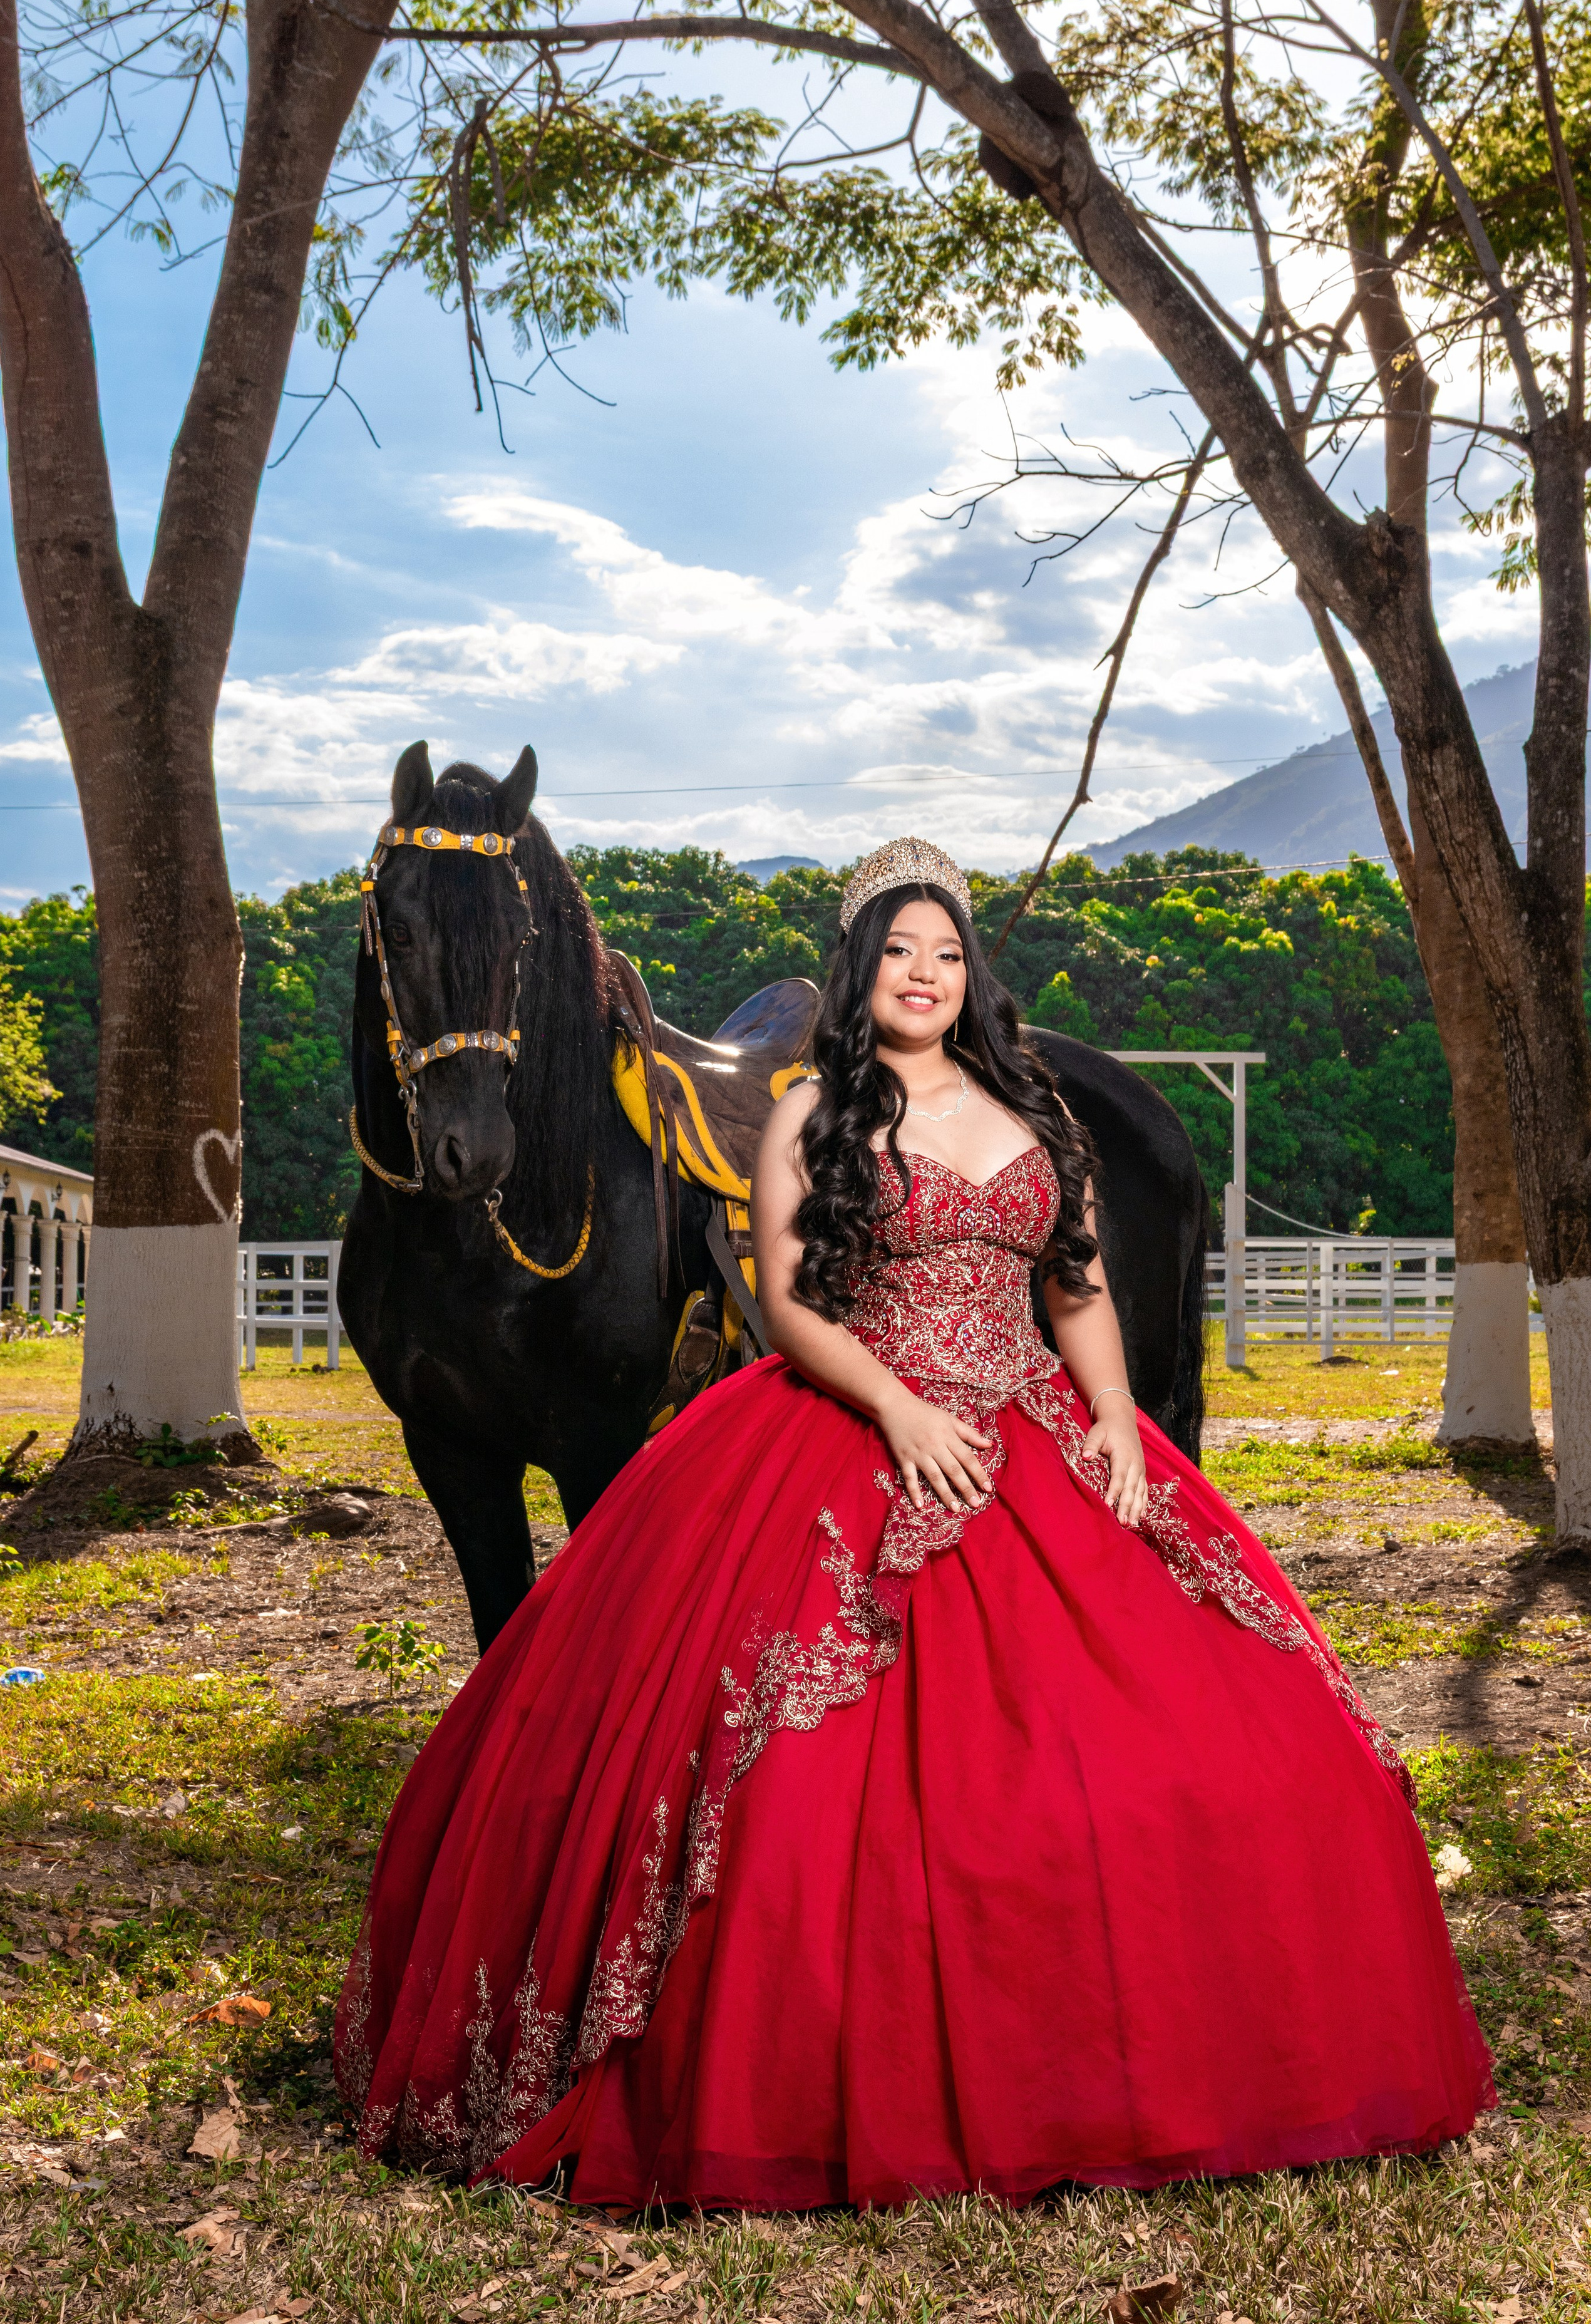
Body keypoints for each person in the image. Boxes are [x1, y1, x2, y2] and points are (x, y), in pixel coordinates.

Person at [335, 836, 1493, 2207]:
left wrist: (1117, 1419)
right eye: (898, 951)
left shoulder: (1033, 1115)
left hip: (1035, 1423)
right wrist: (897, 1408)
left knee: (1222, 1738)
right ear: (861, 969)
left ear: (969, 971)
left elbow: (1074, 1288)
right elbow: (786, 1304)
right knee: (805, 1781)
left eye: (945, 952)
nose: (924, 974)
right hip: (856, 1418)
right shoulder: (812, 1116)